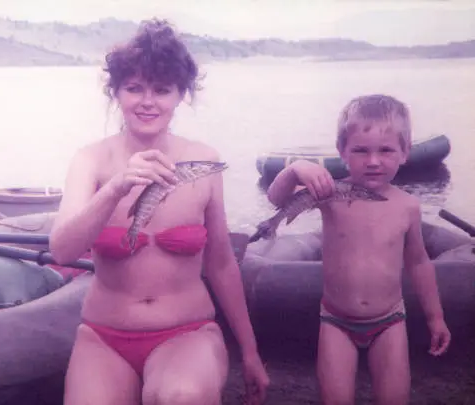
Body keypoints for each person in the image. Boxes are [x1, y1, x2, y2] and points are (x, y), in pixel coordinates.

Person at [49, 18, 269, 405]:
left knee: (181, 396)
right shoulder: (89, 160)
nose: (147, 101)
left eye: (162, 89)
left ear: (180, 94)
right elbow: (62, 250)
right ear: (116, 92)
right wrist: (115, 189)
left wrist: (250, 352)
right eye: (134, 88)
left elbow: (220, 263)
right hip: (104, 337)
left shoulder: (204, 161)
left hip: (187, 332)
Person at [265, 94, 451, 405]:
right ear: (343, 152)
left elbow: (418, 263)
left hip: (390, 320)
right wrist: (295, 169)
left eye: (386, 150)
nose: (374, 161)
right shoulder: (330, 194)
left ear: (405, 152)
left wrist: (436, 318)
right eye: (361, 151)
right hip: (336, 321)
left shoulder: (407, 206)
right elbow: (277, 200)